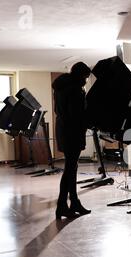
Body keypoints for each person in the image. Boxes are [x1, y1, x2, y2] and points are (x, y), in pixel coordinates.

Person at [53, 62, 92, 219]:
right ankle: (62, 206)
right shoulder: (75, 90)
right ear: (80, 75)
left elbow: (61, 111)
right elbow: (77, 115)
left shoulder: (61, 87)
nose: (86, 80)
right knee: (69, 170)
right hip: (72, 132)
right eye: (86, 77)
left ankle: (73, 202)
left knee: (71, 168)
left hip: (63, 129)